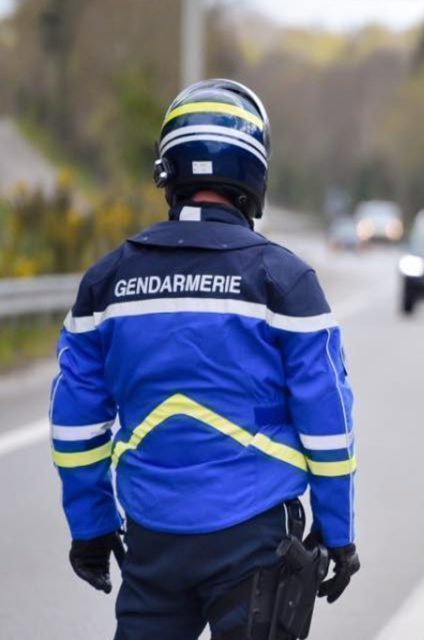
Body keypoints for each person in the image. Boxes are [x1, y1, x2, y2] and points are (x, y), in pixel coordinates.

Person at [49, 79, 359, 640]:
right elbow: (328, 427)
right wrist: (338, 531)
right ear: (255, 174)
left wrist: (91, 526)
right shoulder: (283, 281)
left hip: (152, 539)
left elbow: (75, 426)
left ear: (168, 172)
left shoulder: (106, 283)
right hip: (256, 534)